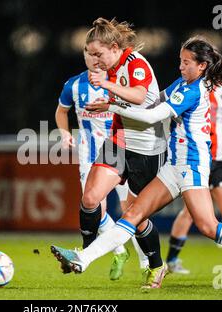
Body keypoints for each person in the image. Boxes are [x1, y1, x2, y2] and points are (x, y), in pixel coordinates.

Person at [51, 36, 222, 291]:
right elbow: (156, 99)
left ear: (202, 65)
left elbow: (153, 116)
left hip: (191, 165)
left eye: (185, 62)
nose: (180, 67)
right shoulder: (185, 82)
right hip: (174, 165)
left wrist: (114, 106)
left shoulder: (193, 90)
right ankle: (82, 259)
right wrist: (122, 99)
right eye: (180, 61)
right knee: (133, 214)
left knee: (207, 225)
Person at [59, 17, 168, 286]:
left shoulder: (136, 64)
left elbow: (140, 97)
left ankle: (156, 265)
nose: (95, 60)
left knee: (135, 214)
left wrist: (107, 90)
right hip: (118, 141)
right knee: (90, 197)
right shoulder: (107, 70)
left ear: (115, 47)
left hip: (147, 148)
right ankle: (83, 252)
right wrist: (106, 104)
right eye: (90, 54)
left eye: (99, 54)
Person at [165, 85, 222, 275]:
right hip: (199, 157)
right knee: (189, 212)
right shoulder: (193, 88)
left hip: (219, 158)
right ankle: (172, 259)